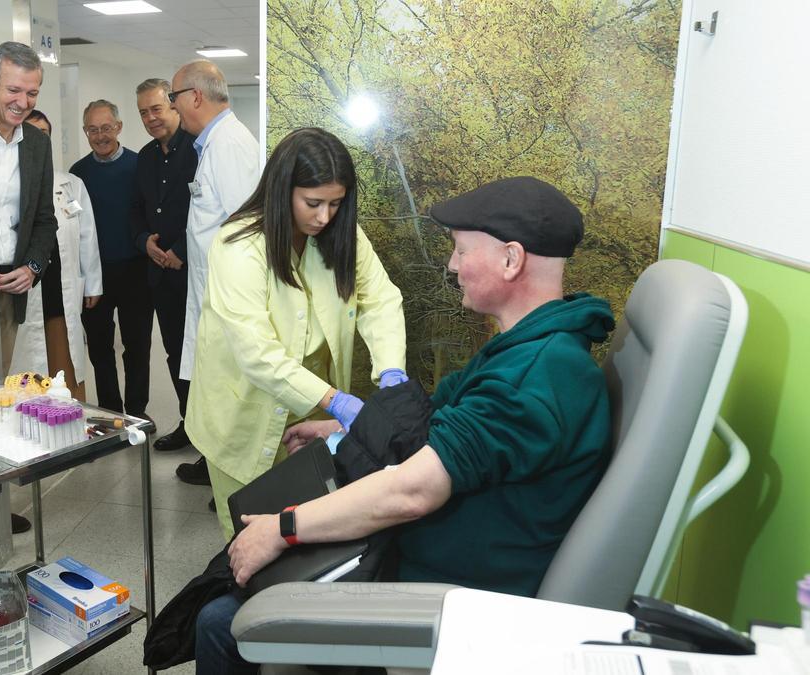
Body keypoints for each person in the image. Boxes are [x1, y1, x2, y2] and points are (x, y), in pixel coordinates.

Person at [194, 176, 617, 675]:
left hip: (451, 595)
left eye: (461, 250)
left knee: (221, 621)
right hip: (432, 554)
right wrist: (343, 431)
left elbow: (412, 493)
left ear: (511, 259)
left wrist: (282, 530)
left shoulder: (533, 377)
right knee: (233, 585)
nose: (452, 265)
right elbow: (440, 424)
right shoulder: (533, 348)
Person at [184, 128, 407, 542]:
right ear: (283, 190)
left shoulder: (342, 236)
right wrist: (337, 401)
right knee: (247, 539)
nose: (325, 217)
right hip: (242, 413)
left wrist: (391, 370)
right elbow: (258, 353)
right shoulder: (238, 246)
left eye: (336, 204)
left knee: (308, 531)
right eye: (313, 203)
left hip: (315, 414)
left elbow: (381, 300)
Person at [170, 59, 263, 486]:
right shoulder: (213, 144)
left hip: (227, 298)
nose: (173, 109)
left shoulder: (229, 145)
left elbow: (248, 228)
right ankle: (218, 470)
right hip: (212, 292)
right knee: (216, 389)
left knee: (229, 392)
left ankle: (229, 477)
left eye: (173, 98)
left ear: (194, 96)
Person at [0, 41, 59, 535]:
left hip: (10, 287)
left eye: (31, 92)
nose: (23, 101)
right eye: (14, 89)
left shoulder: (36, 144)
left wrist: (33, 265)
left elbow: (44, 220)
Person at [7, 110, 103, 401]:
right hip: (30, 289)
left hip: (64, 288)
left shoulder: (71, 184)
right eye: (33, 133)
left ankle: (73, 417)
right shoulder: (12, 185)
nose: (40, 140)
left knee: (67, 360)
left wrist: (93, 284)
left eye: (45, 134)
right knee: (30, 364)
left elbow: (87, 236)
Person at [129, 78, 200, 452]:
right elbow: (137, 209)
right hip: (161, 275)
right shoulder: (145, 157)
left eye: (156, 108)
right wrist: (146, 243)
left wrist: (180, 249)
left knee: (201, 355)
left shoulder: (200, 150)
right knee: (176, 352)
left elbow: (215, 212)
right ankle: (189, 424)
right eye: (143, 112)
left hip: (195, 273)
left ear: (174, 105)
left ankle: (210, 435)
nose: (150, 117)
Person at [70, 100, 152, 417]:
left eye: (106, 127)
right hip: (94, 275)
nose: (100, 135)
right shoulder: (77, 174)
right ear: (85, 132)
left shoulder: (138, 165)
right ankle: (109, 411)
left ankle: (136, 410)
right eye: (93, 129)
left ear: (118, 127)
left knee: (137, 345)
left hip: (135, 271)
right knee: (100, 348)